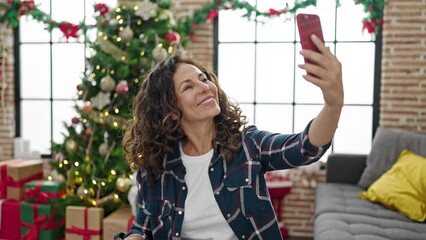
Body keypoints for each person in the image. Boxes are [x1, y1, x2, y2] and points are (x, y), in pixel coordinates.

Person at [116, 34, 343, 240]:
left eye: (204, 79)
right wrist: (134, 237)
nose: (205, 87)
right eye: (188, 87)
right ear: (171, 109)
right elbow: (143, 225)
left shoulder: (248, 145)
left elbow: (305, 147)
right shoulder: (156, 166)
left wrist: (333, 104)